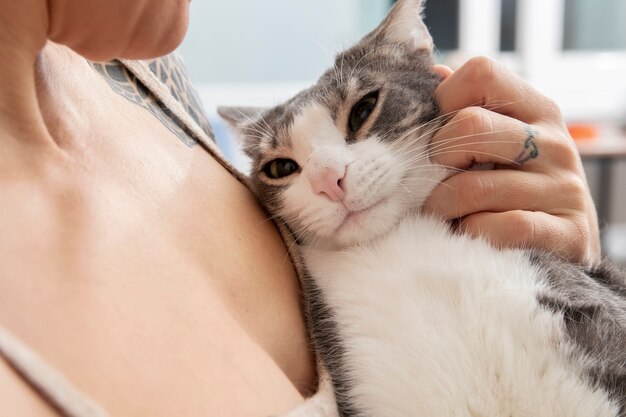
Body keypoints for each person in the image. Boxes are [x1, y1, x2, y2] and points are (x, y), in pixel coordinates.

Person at [0, 0, 600, 416]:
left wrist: (570, 270)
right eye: (281, 168)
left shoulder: (151, 74)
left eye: (360, 113)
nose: (330, 179)